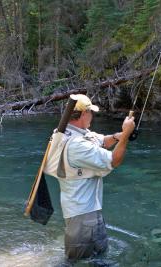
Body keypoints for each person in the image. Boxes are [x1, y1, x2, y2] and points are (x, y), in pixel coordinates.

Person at [55, 94, 135, 261]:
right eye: (91, 112)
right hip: (82, 217)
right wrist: (126, 134)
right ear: (84, 114)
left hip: (89, 213)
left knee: (100, 260)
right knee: (75, 262)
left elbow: (101, 141)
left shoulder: (66, 133)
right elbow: (114, 161)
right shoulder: (77, 145)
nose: (92, 115)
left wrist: (117, 137)